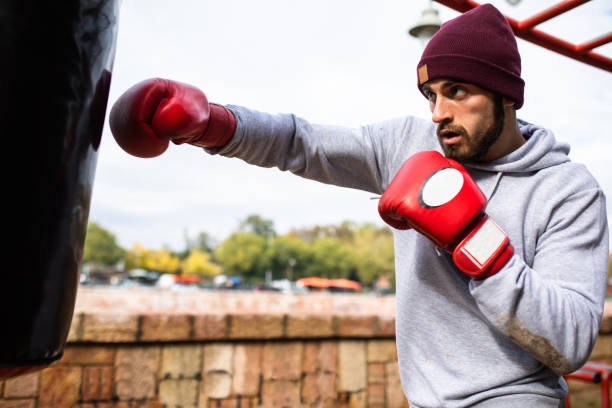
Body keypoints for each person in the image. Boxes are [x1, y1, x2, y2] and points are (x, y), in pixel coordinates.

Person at [108, 4, 609, 407]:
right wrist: (214, 126)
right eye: (430, 94)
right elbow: (299, 142)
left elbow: (569, 342)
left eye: (457, 92)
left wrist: (475, 243)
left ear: (506, 95)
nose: (438, 113)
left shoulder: (567, 191)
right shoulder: (411, 145)